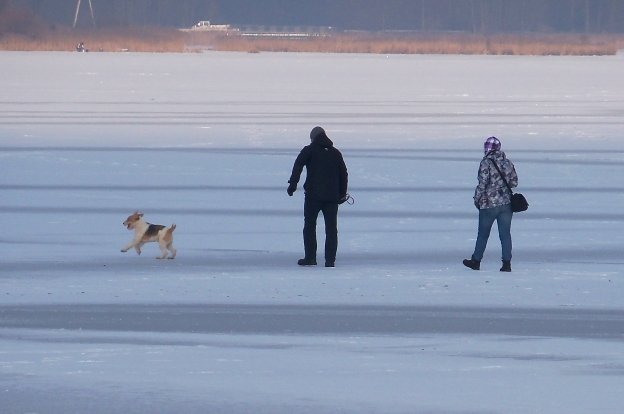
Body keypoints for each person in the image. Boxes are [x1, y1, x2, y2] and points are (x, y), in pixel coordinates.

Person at [287, 126, 348, 267]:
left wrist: (293, 184)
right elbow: (343, 174)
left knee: (309, 226)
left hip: (313, 196)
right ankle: (330, 261)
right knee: (331, 229)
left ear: (313, 138)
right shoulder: (335, 153)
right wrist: (342, 194)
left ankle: (310, 258)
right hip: (332, 198)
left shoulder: (309, 150)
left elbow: (298, 165)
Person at [463, 136, 518, 272]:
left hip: (488, 204)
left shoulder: (485, 163)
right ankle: (506, 264)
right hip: (506, 204)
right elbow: (514, 182)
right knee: (505, 234)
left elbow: (482, 183)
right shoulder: (507, 162)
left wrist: (477, 199)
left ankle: (476, 261)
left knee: (483, 234)